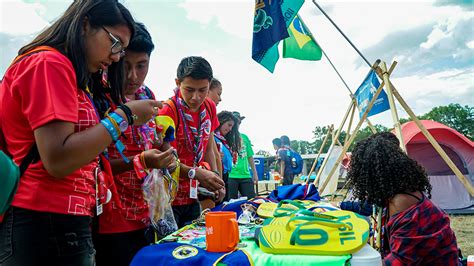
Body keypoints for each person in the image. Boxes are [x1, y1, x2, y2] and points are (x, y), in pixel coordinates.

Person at [0, 1, 161, 265]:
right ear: (85, 24)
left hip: (62, 221)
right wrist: (124, 116)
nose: (117, 56)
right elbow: (58, 159)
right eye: (115, 43)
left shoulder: (73, 75)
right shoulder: (49, 63)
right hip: (43, 221)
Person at [94, 22, 176, 266]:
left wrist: (163, 154)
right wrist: (140, 161)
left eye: (141, 66)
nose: (133, 76)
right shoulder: (99, 98)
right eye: (125, 65)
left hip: (149, 212)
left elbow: (150, 144)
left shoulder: (147, 95)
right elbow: (93, 162)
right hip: (112, 216)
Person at [346, 132, 459, 265]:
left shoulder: (404, 206)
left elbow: (398, 262)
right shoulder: (393, 196)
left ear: (373, 176)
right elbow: (366, 206)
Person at [159, 56, 224, 228]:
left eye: (202, 90)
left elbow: (209, 148)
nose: (196, 97)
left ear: (210, 85)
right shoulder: (168, 110)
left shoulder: (209, 107)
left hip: (193, 195)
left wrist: (215, 179)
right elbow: (165, 161)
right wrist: (196, 173)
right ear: (177, 83)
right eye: (189, 90)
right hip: (169, 198)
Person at [228, 112, 258, 200]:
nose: (237, 124)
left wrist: (255, 174)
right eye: (236, 122)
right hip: (231, 175)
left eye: (239, 122)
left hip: (245, 175)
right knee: (231, 202)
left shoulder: (244, 137)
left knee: (251, 201)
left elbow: (250, 156)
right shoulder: (226, 136)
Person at [214, 111, 241, 202]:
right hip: (217, 176)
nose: (230, 129)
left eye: (232, 127)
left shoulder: (224, 140)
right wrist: (216, 155)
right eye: (229, 125)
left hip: (225, 175)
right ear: (221, 121)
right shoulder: (213, 137)